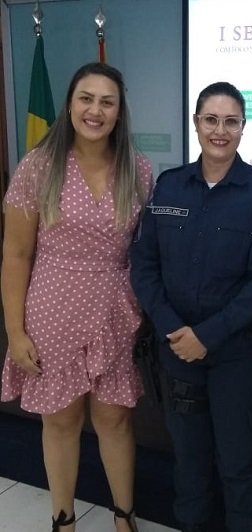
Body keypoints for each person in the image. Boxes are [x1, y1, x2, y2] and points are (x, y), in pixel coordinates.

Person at [1, 62, 153, 531]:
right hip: (53, 312)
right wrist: (14, 331)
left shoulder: (138, 169)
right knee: (61, 422)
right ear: (69, 104)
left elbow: (145, 249)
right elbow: (16, 254)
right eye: (86, 98)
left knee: (115, 421)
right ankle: (63, 519)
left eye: (107, 102)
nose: (95, 110)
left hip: (114, 313)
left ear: (119, 112)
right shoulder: (38, 167)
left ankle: (123, 516)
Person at [130, 81, 252, 532]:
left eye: (231, 122)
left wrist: (207, 335)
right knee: (189, 463)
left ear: (243, 127)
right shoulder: (169, 186)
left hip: (239, 356)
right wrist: (172, 328)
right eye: (211, 120)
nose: (220, 130)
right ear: (196, 123)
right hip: (177, 352)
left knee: (238, 465)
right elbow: (144, 265)